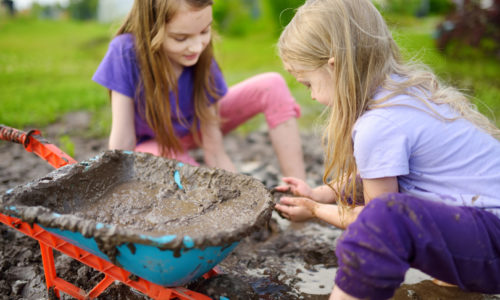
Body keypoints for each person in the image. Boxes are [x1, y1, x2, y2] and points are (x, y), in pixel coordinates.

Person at [273, 0, 500, 299]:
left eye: (307, 83)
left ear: (335, 65)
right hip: (485, 230)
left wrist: (316, 210)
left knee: (384, 221)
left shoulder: (378, 125)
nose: (312, 96)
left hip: (492, 240)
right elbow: (378, 176)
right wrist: (322, 194)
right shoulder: (404, 93)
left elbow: (375, 220)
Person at [92, 0, 306, 180]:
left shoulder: (201, 55)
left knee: (272, 85)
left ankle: (300, 196)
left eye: (205, 31)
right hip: (155, 143)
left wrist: (239, 192)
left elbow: (214, 148)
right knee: (179, 170)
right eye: (181, 38)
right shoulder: (125, 52)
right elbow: (122, 141)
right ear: (151, 29)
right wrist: (115, 184)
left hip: (196, 128)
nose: (196, 47)